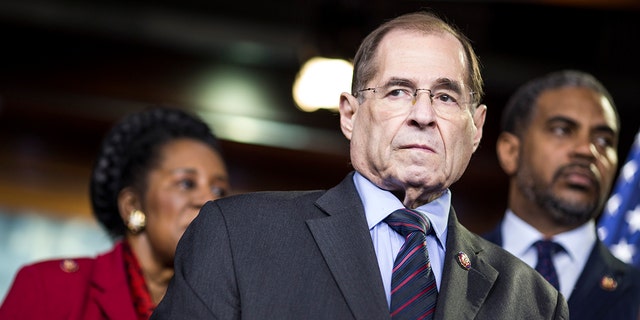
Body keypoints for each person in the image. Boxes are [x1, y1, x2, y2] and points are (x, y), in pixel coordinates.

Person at [151, 11, 568, 320]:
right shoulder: (236, 236)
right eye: (398, 91)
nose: (423, 115)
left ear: (475, 128)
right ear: (350, 115)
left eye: (445, 97)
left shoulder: (534, 302)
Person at [0, 107, 231, 319]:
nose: (209, 201)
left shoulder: (227, 310)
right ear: (131, 205)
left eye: (219, 189)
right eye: (186, 183)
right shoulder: (49, 288)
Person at [483, 70, 640, 319]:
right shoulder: (451, 266)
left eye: (603, 140)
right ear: (511, 152)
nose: (587, 150)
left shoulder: (635, 291)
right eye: (562, 130)